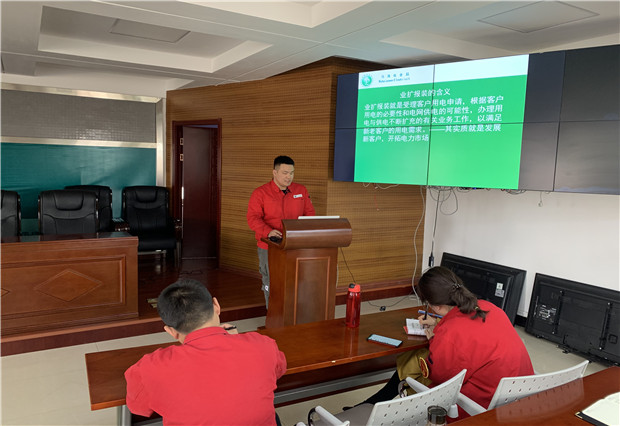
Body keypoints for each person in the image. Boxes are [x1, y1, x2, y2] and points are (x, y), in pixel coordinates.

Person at [356, 266, 534, 418]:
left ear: (435, 306)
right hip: (518, 396)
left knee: (414, 360)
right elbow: (473, 333)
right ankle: (373, 402)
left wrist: (435, 338)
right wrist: (439, 325)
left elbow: (439, 376)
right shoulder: (489, 307)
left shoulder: (449, 334)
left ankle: (375, 405)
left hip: (482, 408)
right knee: (415, 360)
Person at [124, 279, 287, 425]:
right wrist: (237, 340)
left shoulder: (151, 368)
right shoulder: (263, 344)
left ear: (171, 331)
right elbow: (278, 370)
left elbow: (137, 407)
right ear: (216, 306)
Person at [247, 155, 315, 307]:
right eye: (285, 173)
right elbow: (252, 218)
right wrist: (268, 232)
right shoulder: (260, 193)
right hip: (269, 246)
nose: (289, 177)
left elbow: (310, 214)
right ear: (275, 172)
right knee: (271, 281)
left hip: (296, 244)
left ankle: (293, 313)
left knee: (296, 280)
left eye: (291, 173)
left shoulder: (301, 190)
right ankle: (272, 314)